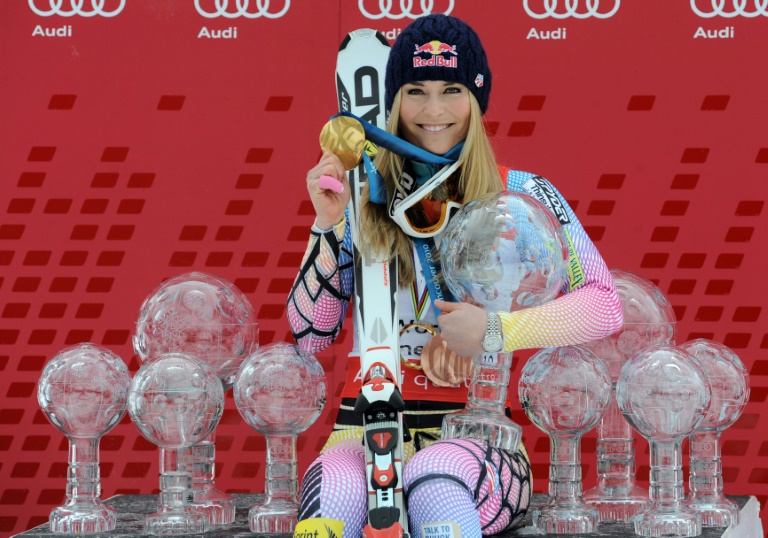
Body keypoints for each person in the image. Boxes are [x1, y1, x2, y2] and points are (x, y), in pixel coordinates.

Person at [286, 14, 623, 538]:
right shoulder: (360, 197)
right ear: (393, 103)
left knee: (434, 480)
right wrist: (326, 225)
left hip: (474, 431)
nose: (434, 110)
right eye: (416, 91)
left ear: (478, 101)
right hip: (366, 424)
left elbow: (605, 306)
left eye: (453, 90)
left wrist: (494, 332)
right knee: (334, 498)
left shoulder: (524, 192)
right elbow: (313, 334)